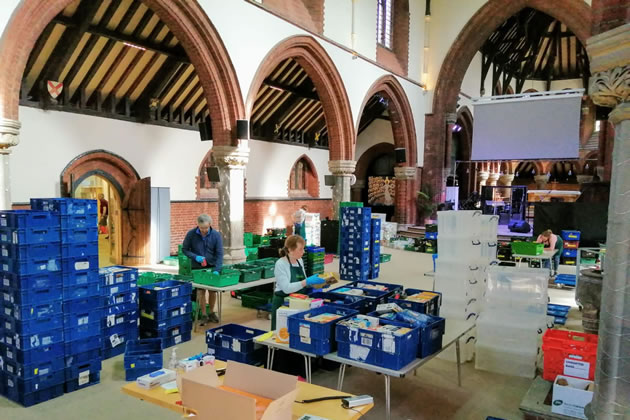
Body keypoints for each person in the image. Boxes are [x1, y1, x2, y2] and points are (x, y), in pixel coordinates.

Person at [271, 235, 324, 330]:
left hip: (298, 300)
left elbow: (302, 282)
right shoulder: (280, 264)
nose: (303, 252)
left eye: (303, 249)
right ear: (290, 249)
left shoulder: (300, 261)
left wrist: (318, 284)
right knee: (281, 332)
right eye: (300, 249)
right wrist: (306, 282)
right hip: (283, 302)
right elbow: (286, 288)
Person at [182, 214, 223, 324]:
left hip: (211, 266)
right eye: (201, 228)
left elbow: (219, 254)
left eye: (205, 228)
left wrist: (217, 270)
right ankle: (204, 314)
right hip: (197, 266)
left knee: (212, 291)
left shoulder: (216, 235)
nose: (203, 230)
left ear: (210, 224)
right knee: (200, 291)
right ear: (197, 225)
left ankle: (211, 312)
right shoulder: (191, 234)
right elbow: (185, 249)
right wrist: (196, 257)